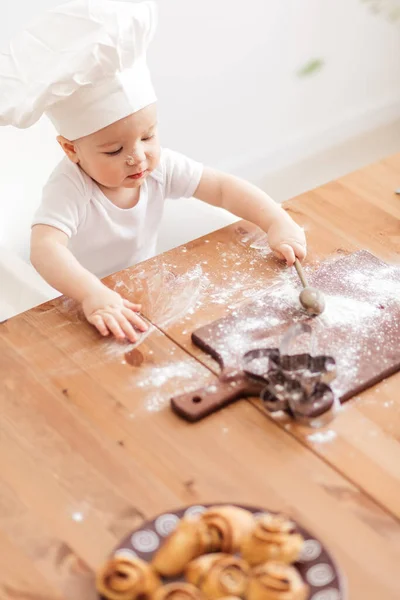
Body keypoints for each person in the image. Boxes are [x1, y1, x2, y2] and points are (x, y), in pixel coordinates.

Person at [0, 0, 306, 343]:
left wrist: (276, 221)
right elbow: (45, 249)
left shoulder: (159, 168)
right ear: (72, 150)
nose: (138, 157)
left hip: (140, 286)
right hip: (79, 300)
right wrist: (90, 294)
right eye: (114, 150)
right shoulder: (71, 187)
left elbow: (221, 188)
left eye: (148, 136)